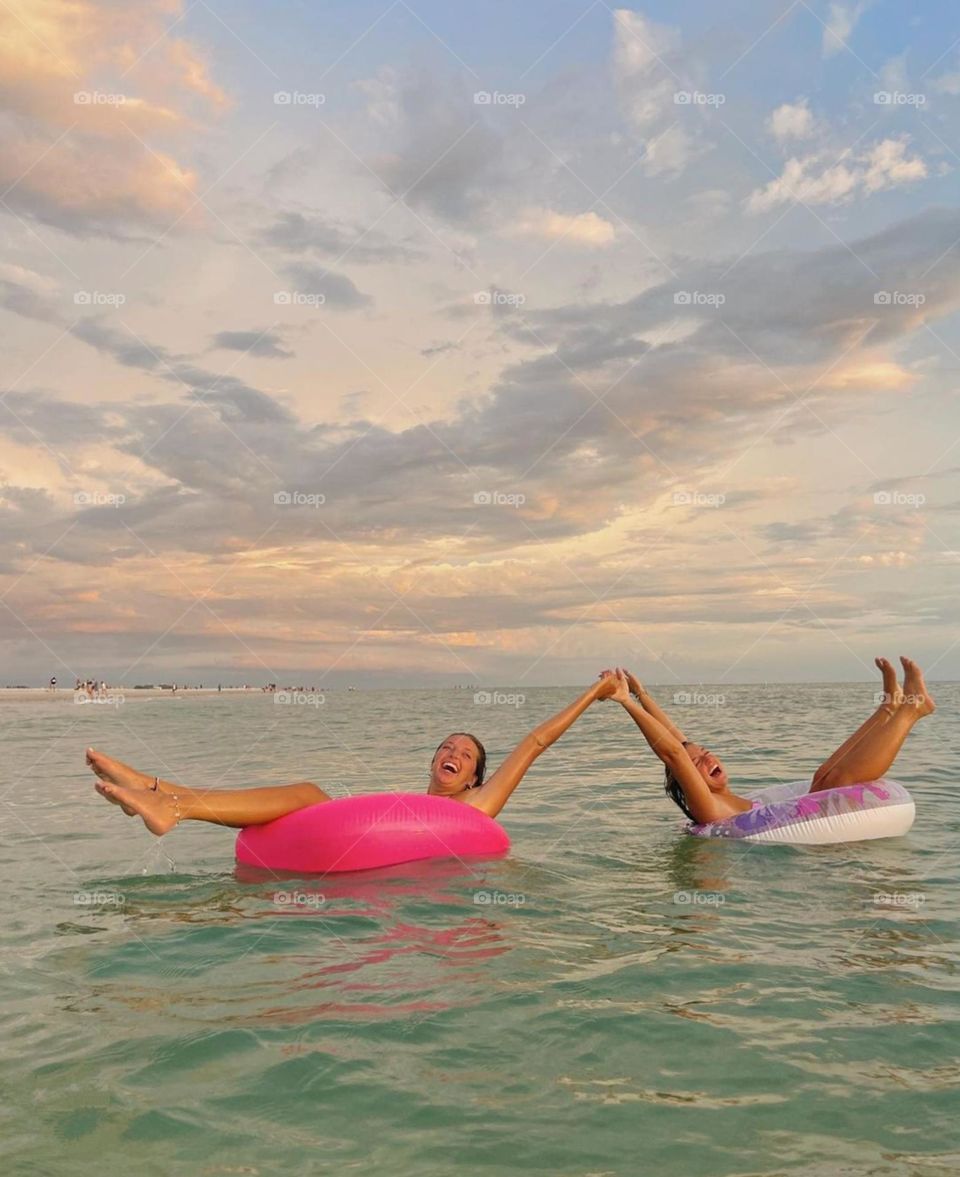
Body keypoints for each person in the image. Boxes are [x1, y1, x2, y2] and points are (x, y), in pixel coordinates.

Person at [88, 677, 619, 836]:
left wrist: (592, 697)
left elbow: (534, 742)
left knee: (308, 794)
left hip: (382, 886)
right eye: (445, 747)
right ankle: (158, 791)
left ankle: (169, 800)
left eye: (464, 754)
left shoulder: (480, 806)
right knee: (292, 805)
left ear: (476, 777)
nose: (451, 753)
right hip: (354, 857)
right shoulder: (418, 804)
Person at [601, 657, 935, 825]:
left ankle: (889, 709)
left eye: (705, 752)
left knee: (822, 776)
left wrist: (642, 694)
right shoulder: (708, 808)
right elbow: (674, 753)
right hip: (800, 837)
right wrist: (626, 703)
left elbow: (679, 740)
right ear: (688, 781)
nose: (706, 758)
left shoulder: (724, 796)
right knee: (836, 781)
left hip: (790, 817)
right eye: (697, 765)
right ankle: (910, 713)